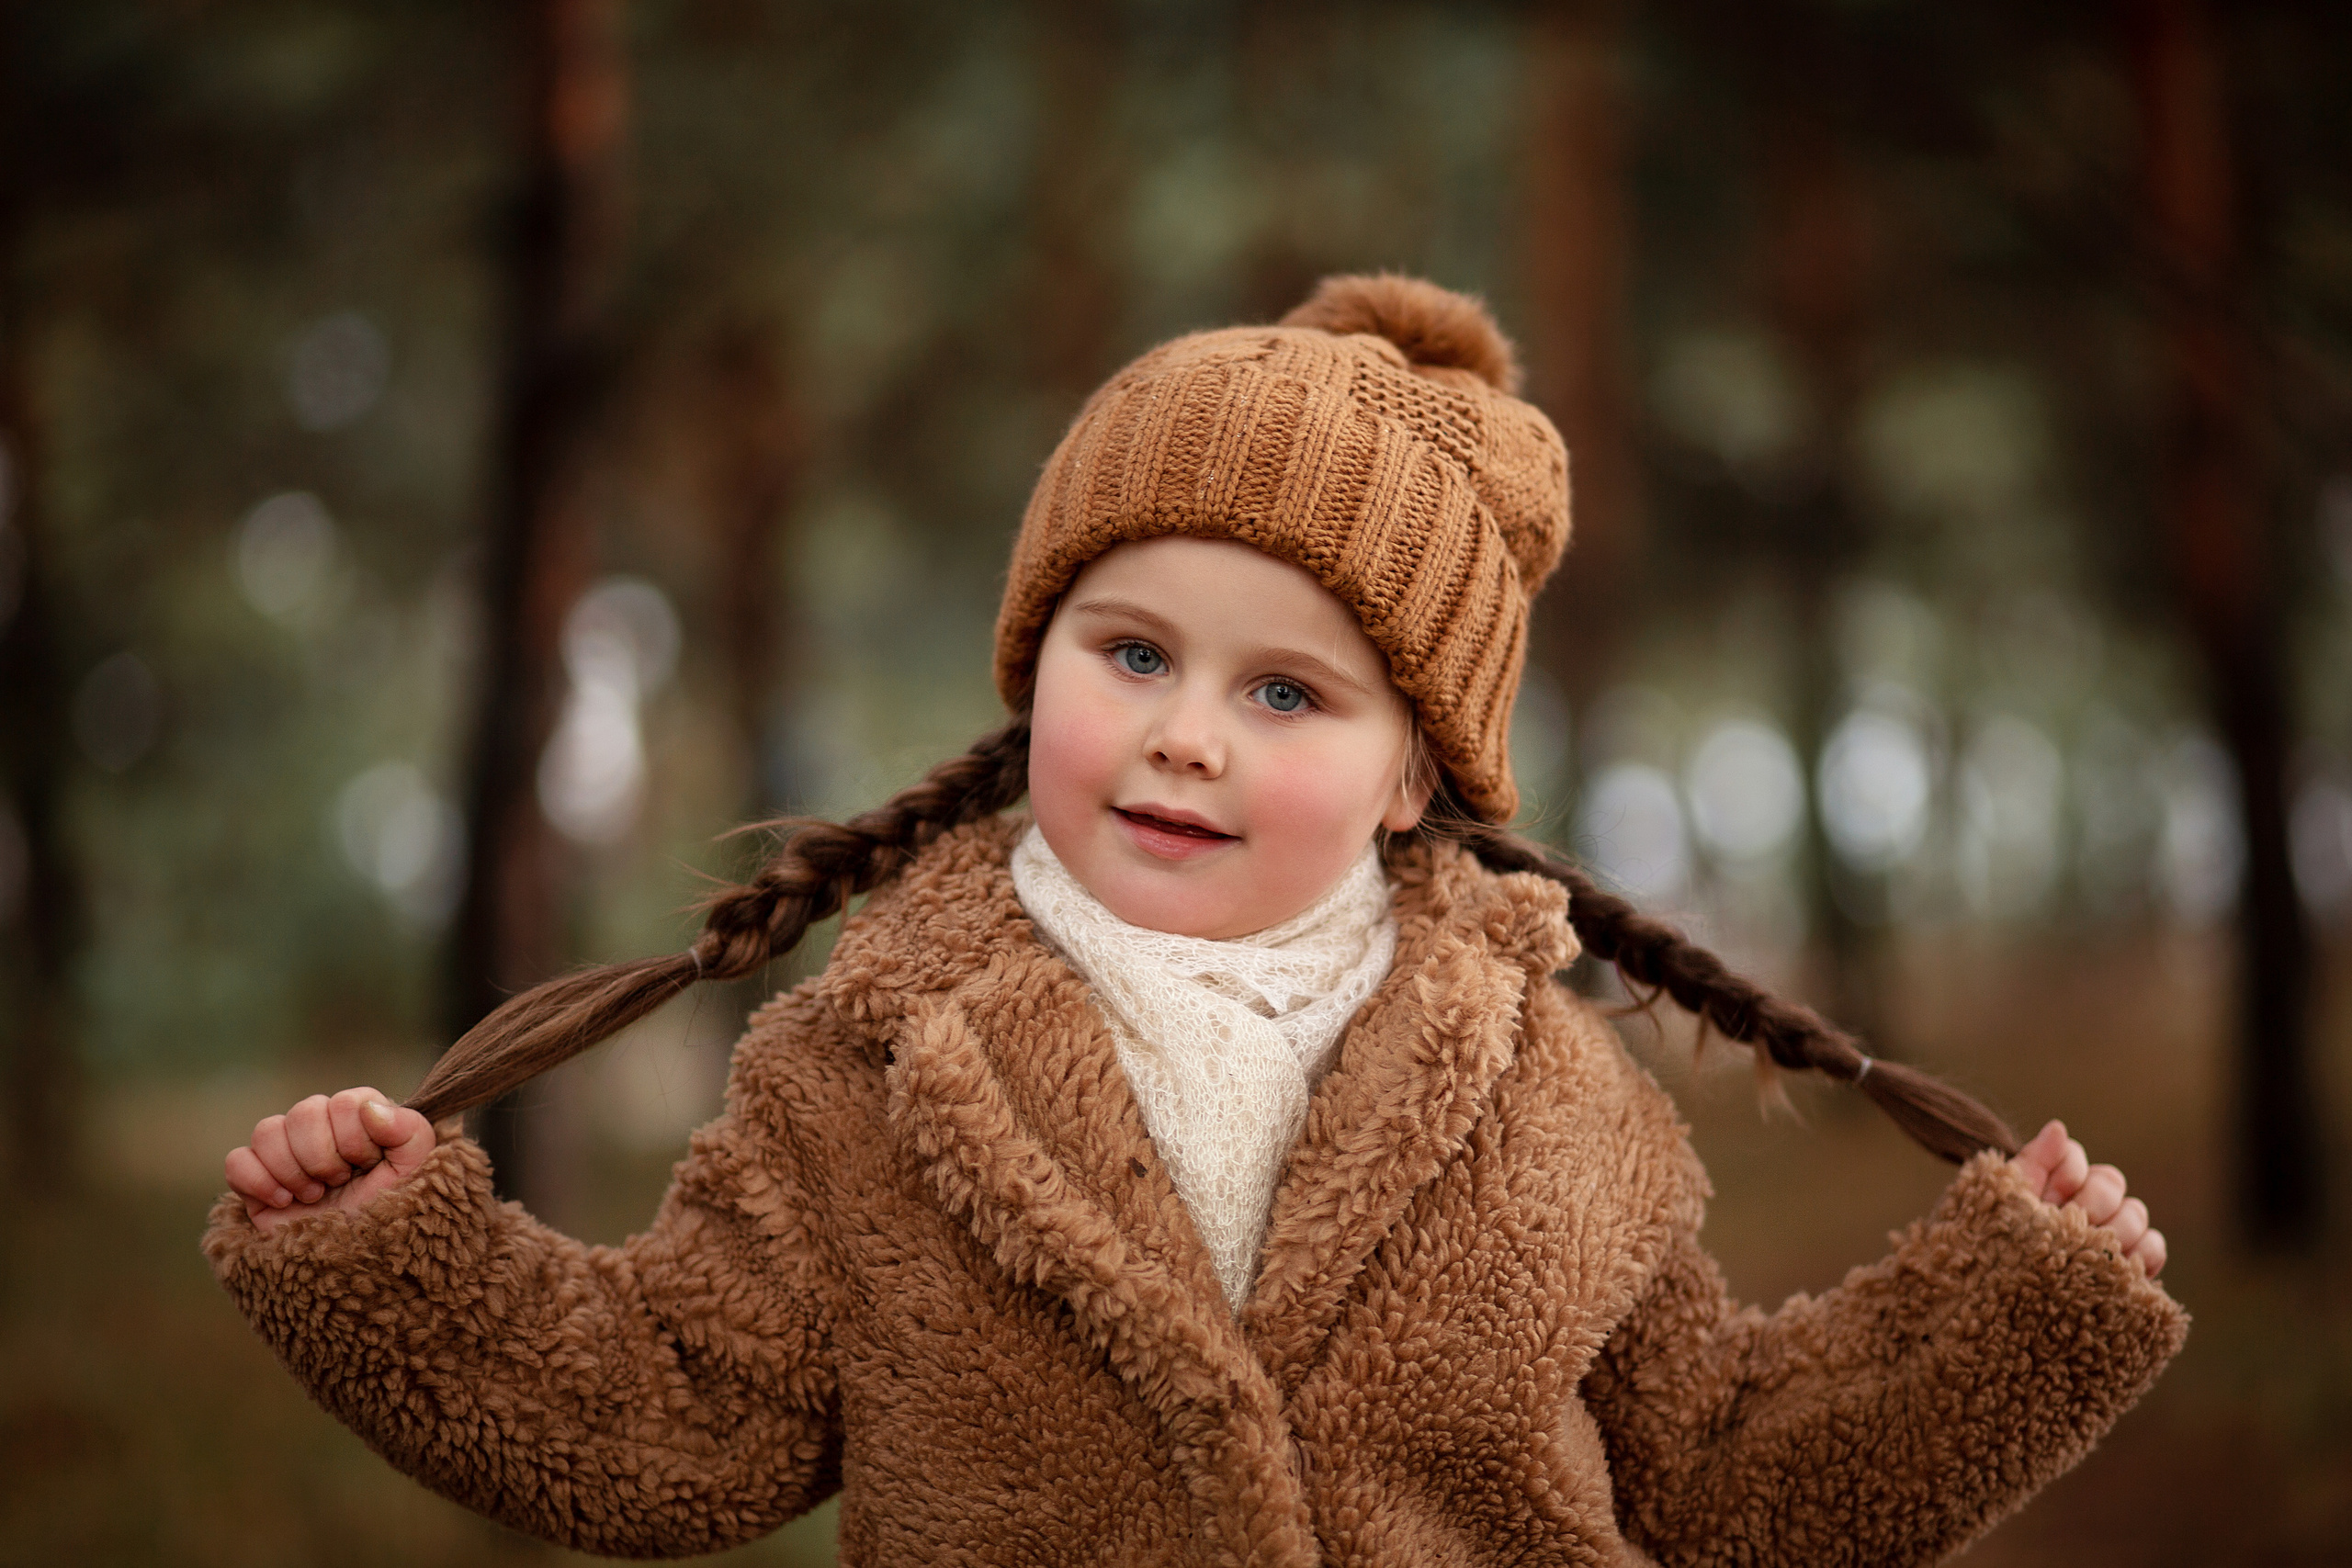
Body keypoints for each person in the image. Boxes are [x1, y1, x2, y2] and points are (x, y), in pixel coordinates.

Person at [209, 275, 2183, 1566]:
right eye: (1130, 647)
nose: (1179, 738)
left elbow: (1731, 1461)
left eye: (1283, 693)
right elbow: (682, 1409)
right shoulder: (867, 1065)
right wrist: (396, 1261)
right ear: (1033, 661)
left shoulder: (1550, 1102)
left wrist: (2013, 1307)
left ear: (1418, 777)